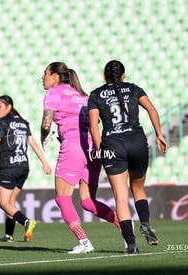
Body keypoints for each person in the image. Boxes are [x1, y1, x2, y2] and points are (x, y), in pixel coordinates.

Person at [88, 60, 167, 254]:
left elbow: (93, 127)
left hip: (113, 145)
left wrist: (99, 150)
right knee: (138, 187)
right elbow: (152, 109)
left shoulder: (96, 94)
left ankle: (131, 245)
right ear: (123, 75)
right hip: (137, 141)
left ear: (104, 76)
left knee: (121, 197)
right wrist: (159, 134)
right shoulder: (133, 89)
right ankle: (146, 224)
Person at [40, 62, 120, 254]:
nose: (43, 78)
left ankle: (84, 241)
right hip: (93, 149)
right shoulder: (83, 96)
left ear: (55, 76)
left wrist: (46, 137)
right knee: (87, 201)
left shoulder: (53, 93)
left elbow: (45, 124)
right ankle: (123, 223)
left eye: (45, 74)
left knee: (62, 198)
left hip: (73, 148)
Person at [0, 95, 52, 242]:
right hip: (23, 167)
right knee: (11, 203)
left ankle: (26, 221)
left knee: (4, 203)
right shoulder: (23, 123)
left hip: (8, 167)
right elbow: (33, 144)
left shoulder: (2, 122)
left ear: (9, 107)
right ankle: (9, 235)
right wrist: (45, 163)